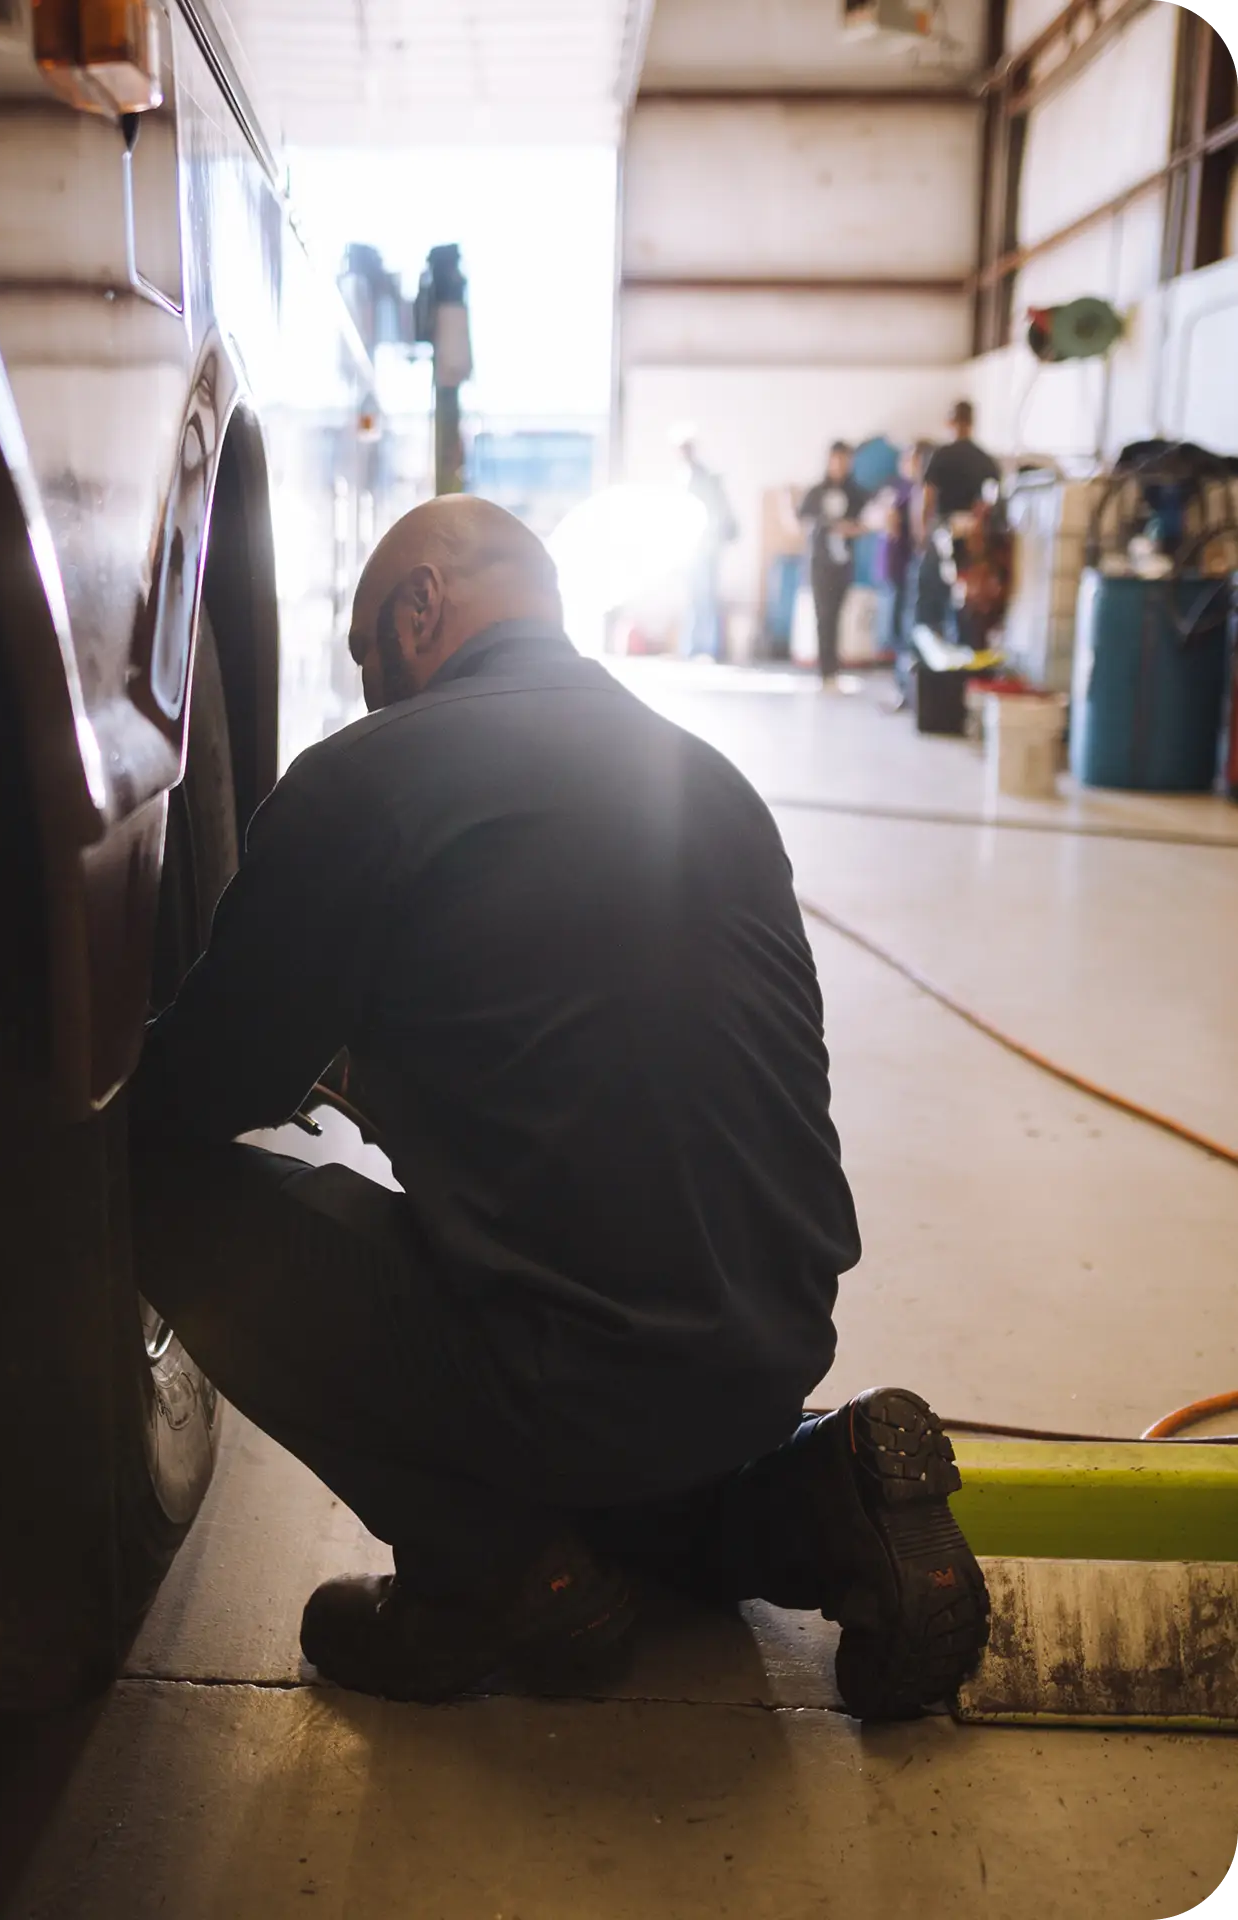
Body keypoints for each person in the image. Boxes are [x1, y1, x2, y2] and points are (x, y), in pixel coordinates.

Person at [128, 495, 989, 1714]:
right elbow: (633, 1055)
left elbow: (197, 1086)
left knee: (155, 1190)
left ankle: (486, 1576)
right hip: (770, 1348)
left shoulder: (368, 776)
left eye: (372, 656)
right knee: (625, 1444)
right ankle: (825, 1488)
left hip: (570, 1381)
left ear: (423, 606)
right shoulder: (708, 778)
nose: (375, 691)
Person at [919, 401, 1001, 651]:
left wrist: (923, 533)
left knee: (932, 594)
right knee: (966, 596)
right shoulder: (985, 460)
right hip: (974, 535)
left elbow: (927, 498)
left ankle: (930, 654)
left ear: (951, 422)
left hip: (945, 530)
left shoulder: (942, 455)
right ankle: (965, 648)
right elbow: (989, 502)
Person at [798, 443, 871, 688]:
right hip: (819, 564)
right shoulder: (816, 492)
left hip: (844, 565)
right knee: (823, 615)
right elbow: (802, 521)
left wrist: (852, 529)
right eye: (835, 460)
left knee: (837, 615)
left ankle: (834, 669)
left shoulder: (856, 493)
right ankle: (825, 671)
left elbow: (868, 522)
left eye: (844, 460)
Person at [882, 441, 932, 709]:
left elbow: (913, 534)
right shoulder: (900, 489)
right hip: (893, 571)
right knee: (894, 633)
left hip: (906, 573)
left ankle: (906, 692)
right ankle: (902, 689)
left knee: (904, 634)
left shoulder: (919, 492)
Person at [679, 441, 738, 660]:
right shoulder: (686, 477)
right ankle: (694, 648)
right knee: (695, 598)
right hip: (695, 550)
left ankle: (707, 648)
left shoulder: (703, 478)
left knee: (705, 597)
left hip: (706, 548)